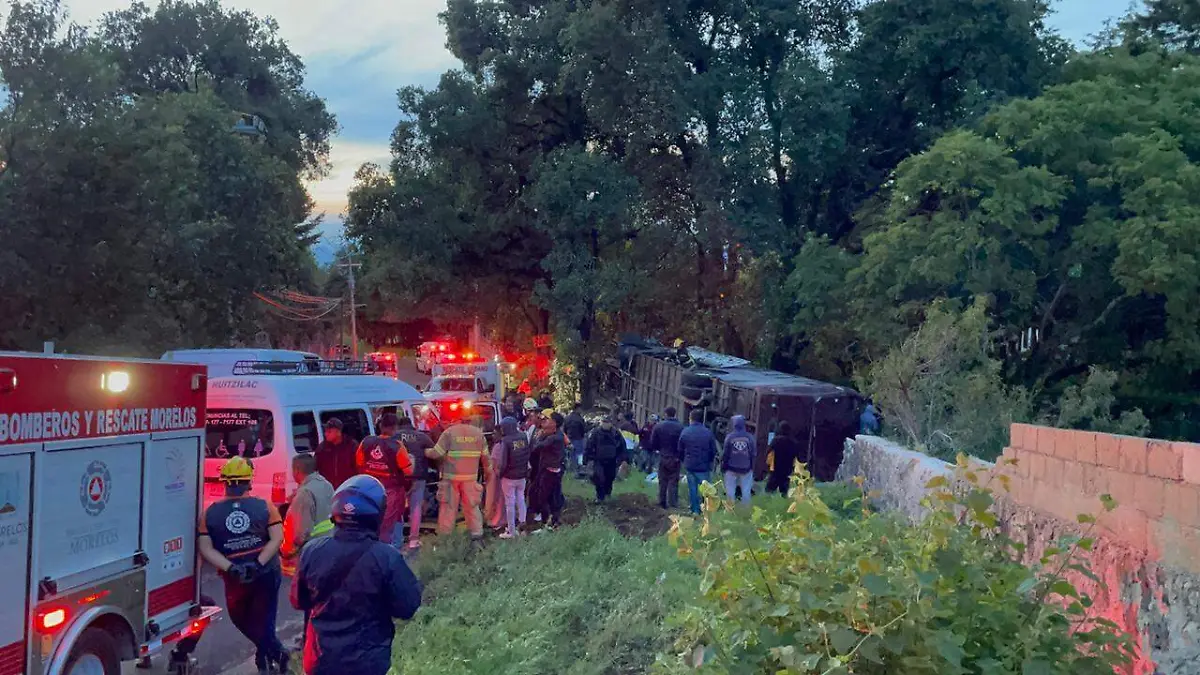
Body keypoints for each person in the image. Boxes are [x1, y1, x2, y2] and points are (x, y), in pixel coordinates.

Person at [291, 475, 423, 675]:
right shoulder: (387, 557)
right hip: (366, 663)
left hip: (320, 660)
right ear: (377, 514)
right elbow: (407, 607)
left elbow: (298, 601)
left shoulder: (311, 550)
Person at [198, 457, 288, 675]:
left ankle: (267, 658)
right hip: (266, 573)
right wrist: (258, 563)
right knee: (265, 619)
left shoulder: (210, 514)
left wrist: (231, 568)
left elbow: (206, 548)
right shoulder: (265, 506)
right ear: (249, 482)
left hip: (235, 578)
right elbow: (277, 538)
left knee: (240, 619)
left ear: (225, 483)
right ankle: (277, 654)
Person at [425, 413, 489, 538]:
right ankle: (476, 535)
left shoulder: (449, 433)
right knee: (472, 508)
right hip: (470, 479)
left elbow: (436, 453)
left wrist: (424, 451)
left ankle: (445, 538)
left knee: (448, 508)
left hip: (451, 478)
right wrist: (488, 474)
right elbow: (486, 458)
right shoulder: (478, 434)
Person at [355, 413, 414, 546]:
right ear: (395, 428)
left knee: (372, 520)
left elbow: (359, 464)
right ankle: (392, 552)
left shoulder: (366, 442)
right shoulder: (397, 446)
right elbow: (408, 471)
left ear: (380, 426)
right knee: (394, 521)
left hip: (369, 489)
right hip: (392, 492)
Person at [281, 453, 334, 577]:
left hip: (310, 551)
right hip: (328, 545)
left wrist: (287, 552)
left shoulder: (305, 493)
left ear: (297, 470)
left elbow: (300, 533)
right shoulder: (326, 484)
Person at [396, 415, 435, 550]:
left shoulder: (394, 436)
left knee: (398, 508)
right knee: (416, 507)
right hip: (418, 476)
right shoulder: (421, 436)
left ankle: (397, 538)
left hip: (399, 478)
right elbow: (434, 452)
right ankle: (414, 539)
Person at [493, 416, 532, 538]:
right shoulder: (523, 436)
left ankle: (511, 531)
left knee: (510, 503)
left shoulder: (506, 440)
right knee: (521, 499)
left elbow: (503, 462)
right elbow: (527, 454)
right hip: (522, 475)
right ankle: (522, 525)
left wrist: (500, 474)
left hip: (509, 477)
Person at [529, 411, 567, 528]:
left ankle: (548, 522)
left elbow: (536, 447)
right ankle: (553, 521)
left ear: (554, 423)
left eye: (547, 419)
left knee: (543, 497)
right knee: (549, 496)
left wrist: (541, 436)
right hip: (550, 469)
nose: (544, 421)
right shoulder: (556, 435)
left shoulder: (554, 438)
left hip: (550, 471)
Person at [678, 409, 718, 514]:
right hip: (704, 466)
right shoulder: (708, 432)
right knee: (706, 490)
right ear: (702, 420)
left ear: (690, 419)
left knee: (693, 489)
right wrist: (709, 461)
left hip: (690, 465)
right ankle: (707, 510)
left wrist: (684, 460)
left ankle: (695, 510)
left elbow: (680, 449)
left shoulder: (685, 431)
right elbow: (713, 450)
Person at [585, 416, 626, 502]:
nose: (605, 425)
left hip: (612, 460)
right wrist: (587, 459)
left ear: (611, 423)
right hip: (598, 460)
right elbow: (589, 446)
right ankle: (600, 497)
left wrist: (622, 459)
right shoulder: (595, 432)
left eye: (607, 423)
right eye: (604, 422)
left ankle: (607, 494)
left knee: (610, 477)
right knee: (599, 477)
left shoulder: (616, 433)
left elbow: (622, 446)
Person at [650, 407, 685, 509]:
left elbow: (653, 442)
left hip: (663, 456)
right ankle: (673, 503)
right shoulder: (681, 427)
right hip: (675, 457)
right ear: (675, 414)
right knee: (673, 480)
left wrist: (659, 449)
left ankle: (662, 501)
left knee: (662, 480)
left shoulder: (658, 426)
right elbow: (683, 443)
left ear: (665, 414)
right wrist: (679, 456)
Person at [720, 415, 757, 506]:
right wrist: (752, 467)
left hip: (731, 468)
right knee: (746, 491)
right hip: (746, 468)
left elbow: (725, 454)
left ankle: (730, 509)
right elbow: (753, 454)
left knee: (730, 491)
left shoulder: (730, 437)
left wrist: (723, 466)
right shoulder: (750, 437)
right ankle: (745, 510)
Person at [314, 418, 357, 493]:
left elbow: (358, 468)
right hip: (328, 490)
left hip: (347, 489)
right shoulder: (322, 448)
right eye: (325, 431)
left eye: (329, 432)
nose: (326, 434)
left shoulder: (351, 446)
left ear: (338, 432)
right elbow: (314, 468)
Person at [766, 421, 801, 495]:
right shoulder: (793, 442)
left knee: (769, 490)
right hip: (787, 470)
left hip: (776, 468)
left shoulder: (776, 440)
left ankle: (767, 504)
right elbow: (797, 455)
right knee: (784, 491)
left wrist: (767, 464)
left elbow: (769, 451)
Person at [563, 403, 587, 472]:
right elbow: (583, 429)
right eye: (580, 409)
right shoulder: (579, 419)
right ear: (578, 409)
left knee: (571, 454)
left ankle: (571, 467)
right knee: (579, 453)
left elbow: (565, 428)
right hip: (578, 438)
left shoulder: (567, 418)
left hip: (569, 438)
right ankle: (579, 467)